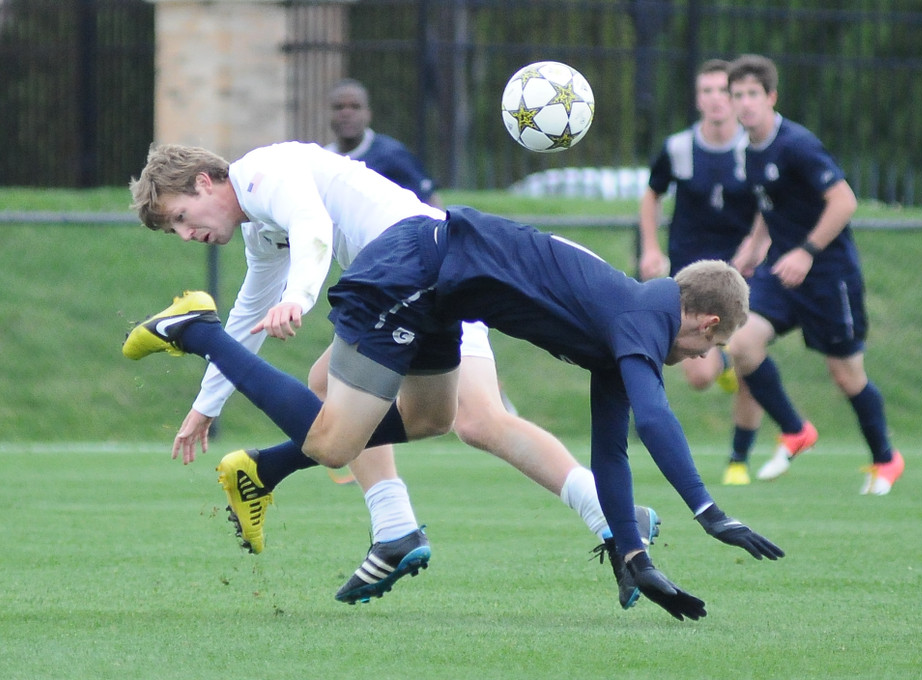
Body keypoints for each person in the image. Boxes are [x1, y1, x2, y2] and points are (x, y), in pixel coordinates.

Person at [123, 184, 786, 621]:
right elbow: (656, 419)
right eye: (710, 349)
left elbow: (611, 450)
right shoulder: (642, 321)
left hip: (445, 295)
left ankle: (265, 466)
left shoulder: (627, 335)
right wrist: (707, 511)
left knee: (433, 418)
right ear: (701, 322)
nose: (702, 361)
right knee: (334, 443)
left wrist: (633, 556)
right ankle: (197, 330)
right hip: (415, 270)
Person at [726, 54, 905, 494]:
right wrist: (751, 249)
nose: (745, 103)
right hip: (782, 272)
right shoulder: (750, 148)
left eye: (753, 94)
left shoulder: (798, 145)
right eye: (737, 95)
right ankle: (794, 429)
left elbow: (844, 201)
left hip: (828, 275)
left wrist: (806, 252)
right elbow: (770, 205)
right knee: (742, 342)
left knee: (845, 375)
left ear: (771, 97)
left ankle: (886, 459)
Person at [637, 58, 764, 486]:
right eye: (706, 90)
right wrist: (652, 248)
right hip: (690, 277)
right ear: (698, 99)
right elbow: (651, 195)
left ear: (736, 99)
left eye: (722, 91)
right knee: (698, 376)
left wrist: (758, 249)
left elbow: (773, 205)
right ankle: (721, 360)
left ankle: (738, 460)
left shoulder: (753, 150)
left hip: (741, 274)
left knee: (752, 354)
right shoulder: (678, 148)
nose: (715, 99)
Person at [325, 78, 443, 209]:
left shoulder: (391, 154)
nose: (346, 113)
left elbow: (429, 199)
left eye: (355, 107)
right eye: (338, 107)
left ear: (368, 114)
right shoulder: (323, 159)